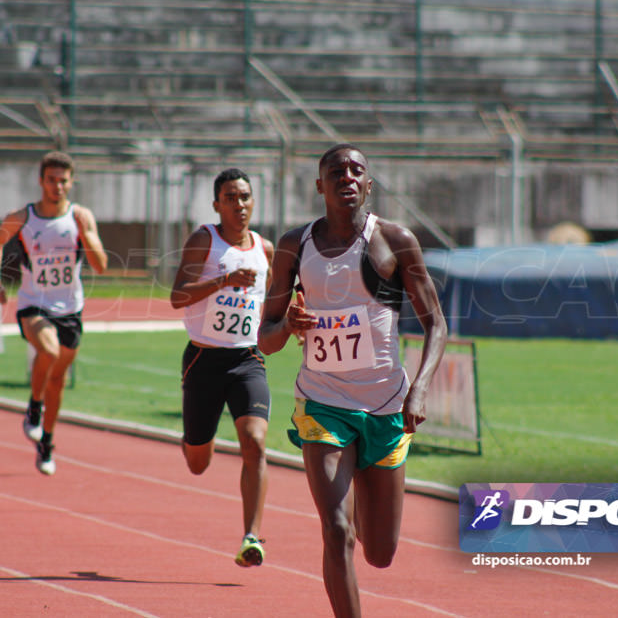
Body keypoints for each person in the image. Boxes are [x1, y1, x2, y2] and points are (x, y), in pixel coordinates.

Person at [259, 143, 446, 618]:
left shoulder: (394, 240)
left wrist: (420, 386)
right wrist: (288, 327)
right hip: (322, 402)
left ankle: (364, 485)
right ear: (318, 185)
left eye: (356, 170)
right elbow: (266, 338)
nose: (346, 176)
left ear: (368, 184)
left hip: (385, 403)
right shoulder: (293, 245)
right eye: (335, 171)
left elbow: (436, 324)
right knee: (336, 531)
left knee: (380, 552)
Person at [170, 168, 275, 567]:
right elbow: (177, 296)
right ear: (217, 204)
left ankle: (252, 536)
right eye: (230, 197)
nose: (239, 204)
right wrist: (224, 280)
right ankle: (197, 437)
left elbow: (276, 300)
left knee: (256, 442)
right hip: (203, 359)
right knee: (198, 463)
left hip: (246, 360)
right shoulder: (204, 239)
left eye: (245, 196)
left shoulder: (264, 248)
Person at [0, 151, 107, 476]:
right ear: (41, 181)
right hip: (33, 304)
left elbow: (100, 265)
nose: (57, 186)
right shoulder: (23, 217)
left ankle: (47, 442)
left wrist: (85, 233)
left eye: (63, 180)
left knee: (58, 380)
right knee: (48, 350)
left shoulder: (81, 217)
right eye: (51, 180)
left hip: (70, 308)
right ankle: (34, 406)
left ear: (71, 182)